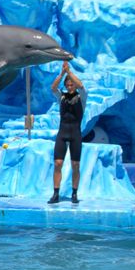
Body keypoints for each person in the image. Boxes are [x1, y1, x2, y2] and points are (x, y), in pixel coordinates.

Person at [48, 61, 87, 204]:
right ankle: (56, 193)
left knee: (75, 165)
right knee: (58, 163)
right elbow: (53, 88)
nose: (70, 86)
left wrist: (69, 72)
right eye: (68, 84)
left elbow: (81, 85)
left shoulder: (82, 97)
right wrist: (63, 73)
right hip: (62, 134)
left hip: (75, 134)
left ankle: (74, 193)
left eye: (72, 84)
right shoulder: (62, 97)